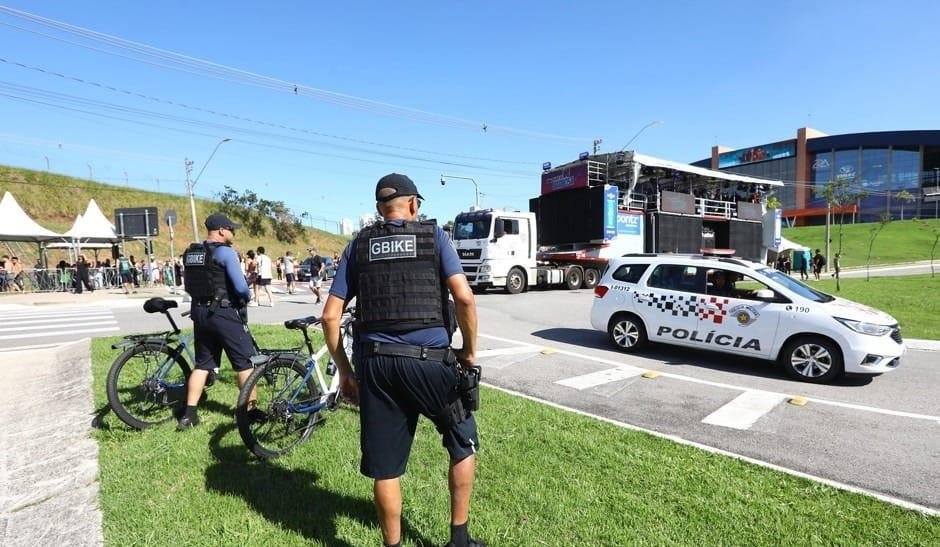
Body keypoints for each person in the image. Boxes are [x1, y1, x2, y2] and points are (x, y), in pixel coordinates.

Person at [322, 174, 484, 547]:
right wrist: (470, 350)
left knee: (386, 468)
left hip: (376, 366)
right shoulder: (434, 237)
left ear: (381, 209)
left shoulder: (358, 245)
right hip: (430, 362)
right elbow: (464, 298)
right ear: (413, 204)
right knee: (462, 441)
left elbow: (330, 316)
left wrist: (346, 372)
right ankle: (459, 539)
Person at [178, 213, 259, 430]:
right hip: (224, 312)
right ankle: (250, 413)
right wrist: (247, 297)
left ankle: (189, 414)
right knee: (245, 363)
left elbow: (189, 284)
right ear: (222, 231)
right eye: (232, 229)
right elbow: (241, 288)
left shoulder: (192, 252)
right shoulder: (225, 252)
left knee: (203, 364)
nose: (233, 233)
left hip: (199, 312)